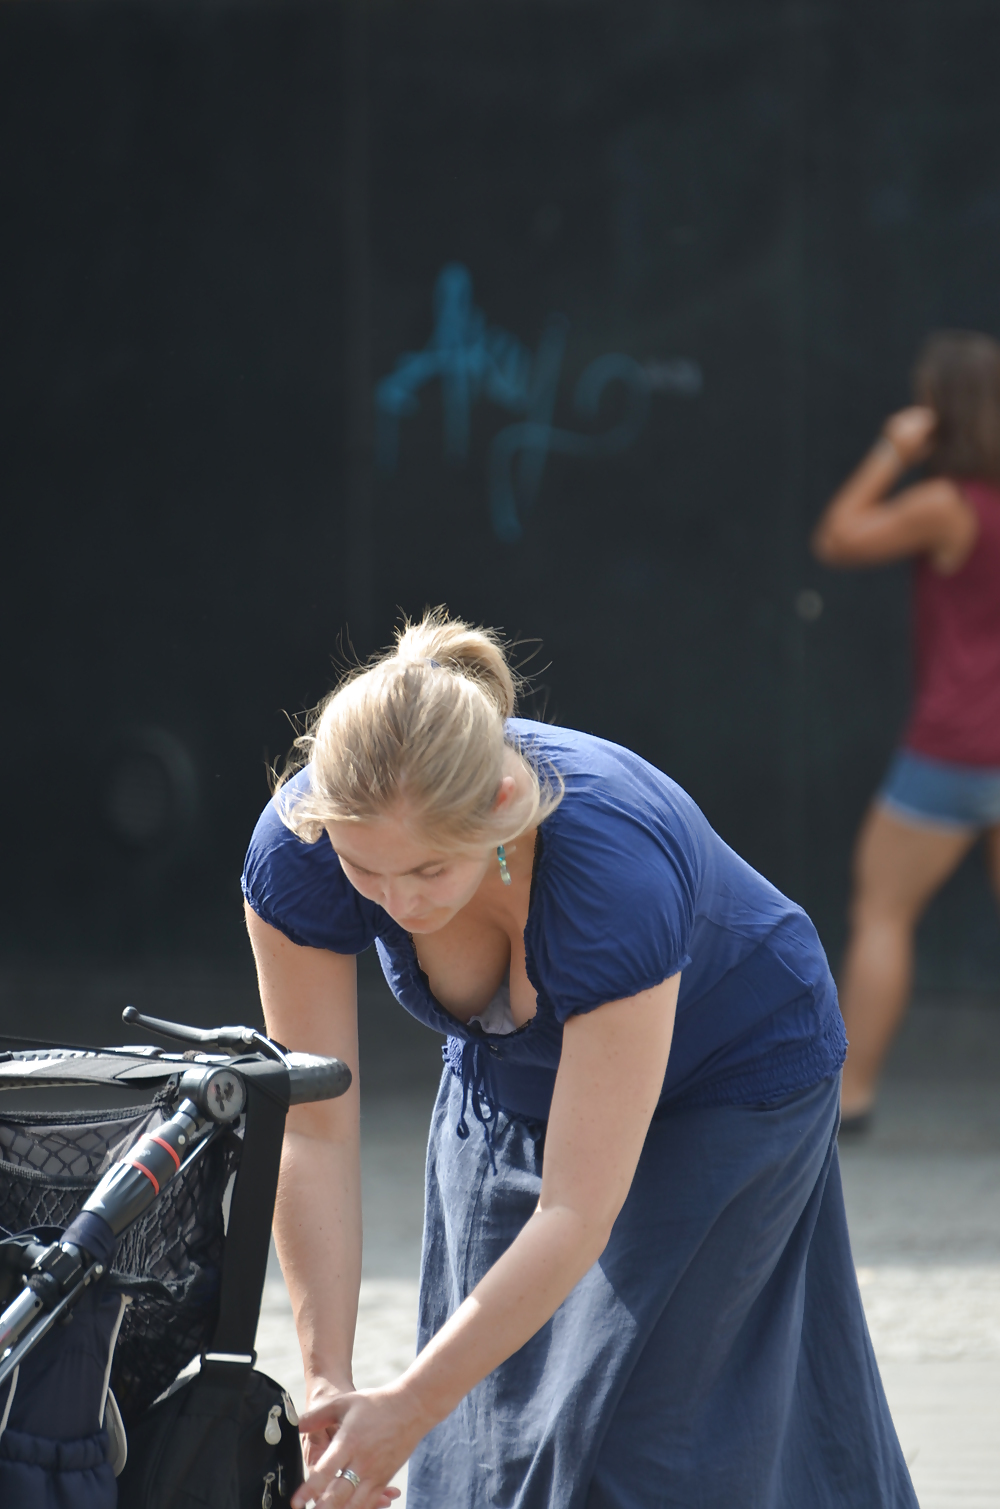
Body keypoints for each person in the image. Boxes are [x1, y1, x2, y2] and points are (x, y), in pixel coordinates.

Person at [241, 610, 916, 1509]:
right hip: (509, 1077)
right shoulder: (303, 846)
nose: (398, 902)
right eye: (370, 872)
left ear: (503, 808)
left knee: (641, 1446)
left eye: (432, 871)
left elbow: (576, 1209)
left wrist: (407, 1405)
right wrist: (329, 1381)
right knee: (489, 1432)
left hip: (732, 1077)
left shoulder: (613, 867)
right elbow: (314, 1128)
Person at [812, 330, 1000, 1130]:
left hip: (953, 746)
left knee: (883, 912)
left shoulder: (948, 505)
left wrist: (892, 450)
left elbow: (839, 536)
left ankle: (851, 1101)